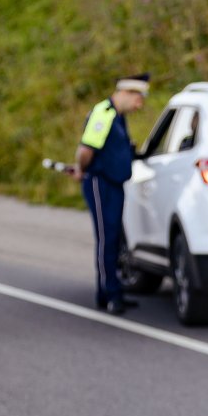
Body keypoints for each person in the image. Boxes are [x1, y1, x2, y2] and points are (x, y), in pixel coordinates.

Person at [72, 74, 149, 315]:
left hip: (114, 184)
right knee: (107, 238)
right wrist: (81, 169)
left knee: (113, 238)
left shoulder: (119, 117)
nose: (140, 104)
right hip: (100, 183)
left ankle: (108, 291)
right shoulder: (104, 113)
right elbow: (86, 149)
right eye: (138, 98)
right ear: (125, 93)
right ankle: (110, 294)